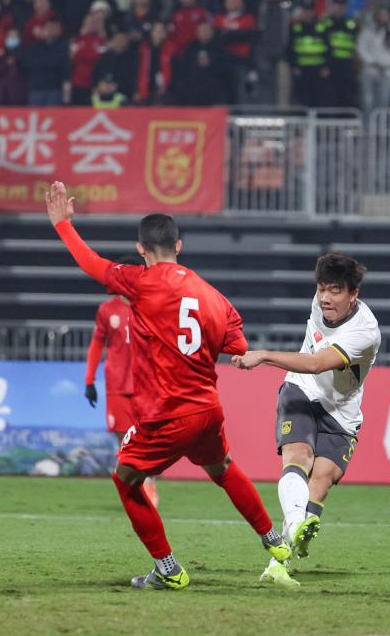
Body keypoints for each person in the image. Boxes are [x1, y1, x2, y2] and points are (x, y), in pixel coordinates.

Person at [44, 181, 293, 590]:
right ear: (179, 245)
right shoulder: (213, 295)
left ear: (140, 249)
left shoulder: (140, 282)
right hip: (207, 409)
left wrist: (63, 225)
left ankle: (168, 569)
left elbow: (92, 264)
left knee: (124, 478)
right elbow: (238, 345)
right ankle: (273, 540)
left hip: (169, 412)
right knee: (223, 468)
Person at [232, 253, 380, 584]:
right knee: (298, 458)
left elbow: (316, 363)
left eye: (335, 291)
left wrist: (264, 355)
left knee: (320, 483)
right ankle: (292, 536)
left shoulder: (364, 331)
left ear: (353, 294)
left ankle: (282, 559)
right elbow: (308, 372)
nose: (325, 298)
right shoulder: (322, 303)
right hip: (301, 389)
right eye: (321, 288)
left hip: (341, 412)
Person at [85, 276, 158, 507]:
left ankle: (149, 481)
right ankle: (137, 488)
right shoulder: (107, 310)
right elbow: (97, 343)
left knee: (148, 437)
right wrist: (89, 380)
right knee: (124, 441)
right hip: (116, 384)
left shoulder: (151, 305)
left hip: (147, 383)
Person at [357, 7, 390, 119]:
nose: (383, 17)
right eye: (381, 15)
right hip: (370, 71)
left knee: (384, 101)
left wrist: (387, 64)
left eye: (386, 15)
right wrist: (373, 62)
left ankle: (381, 126)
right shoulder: (368, 31)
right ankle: (368, 125)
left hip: (387, 72)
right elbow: (361, 48)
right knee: (368, 101)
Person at [287, 4, 328, 108]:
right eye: (305, 11)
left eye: (309, 11)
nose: (307, 14)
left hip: (318, 70)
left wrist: (326, 66)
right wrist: (294, 66)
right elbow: (290, 49)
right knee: (302, 97)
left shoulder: (321, 28)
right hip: (302, 70)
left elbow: (328, 49)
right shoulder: (295, 28)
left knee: (319, 97)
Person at [321, 0, 357, 108]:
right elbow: (322, 44)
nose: (339, 8)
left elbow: (355, 44)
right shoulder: (326, 23)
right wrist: (325, 65)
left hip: (346, 64)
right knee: (330, 95)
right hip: (331, 64)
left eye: (342, 5)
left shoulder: (351, 24)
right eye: (337, 5)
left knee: (346, 95)